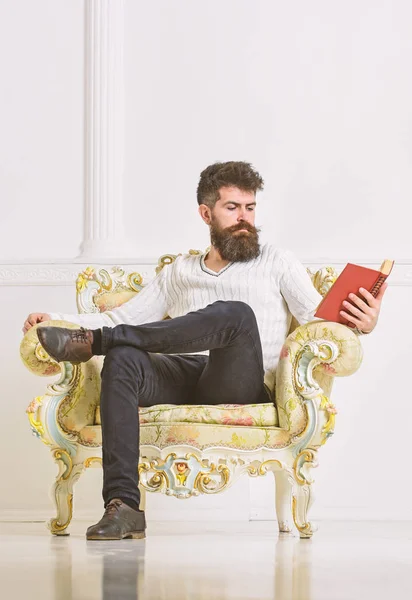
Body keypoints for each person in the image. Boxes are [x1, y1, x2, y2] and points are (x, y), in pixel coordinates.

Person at [22, 161, 388, 540]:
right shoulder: (181, 271)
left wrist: (363, 322)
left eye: (250, 208)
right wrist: (55, 318)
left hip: (240, 380)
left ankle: (98, 341)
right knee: (123, 357)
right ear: (206, 213)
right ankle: (124, 506)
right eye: (233, 208)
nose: (244, 218)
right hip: (182, 372)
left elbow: (317, 318)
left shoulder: (277, 261)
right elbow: (123, 315)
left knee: (235, 314)